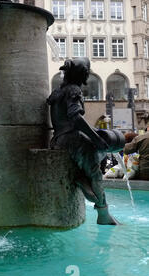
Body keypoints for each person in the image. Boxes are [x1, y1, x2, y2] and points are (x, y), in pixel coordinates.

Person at [47, 57, 119, 225]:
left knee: (96, 157)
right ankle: (103, 213)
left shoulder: (58, 92)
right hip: (73, 140)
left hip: (58, 139)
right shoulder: (73, 90)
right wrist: (96, 139)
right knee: (96, 171)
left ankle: (82, 178)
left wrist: (95, 133)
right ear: (83, 74)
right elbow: (76, 118)